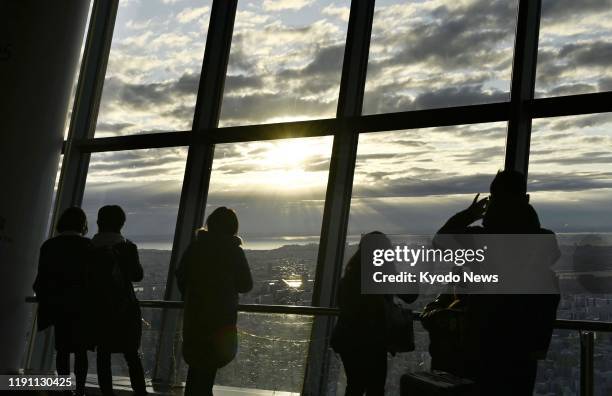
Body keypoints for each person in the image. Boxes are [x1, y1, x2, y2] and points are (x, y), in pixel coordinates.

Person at [431, 170, 560, 395]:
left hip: (483, 341)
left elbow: (440, 241)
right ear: (525, 197)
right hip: (525, 345)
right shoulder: (544, 240)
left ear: (494, 199)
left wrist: (469, 214)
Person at [176, 207, 253, 396]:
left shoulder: (195, 248)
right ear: (233, 228)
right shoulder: (234, 252)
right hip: (221, 320)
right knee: (208, 370)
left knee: (197, 369)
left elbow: (181, 276)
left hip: (195, 319)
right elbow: (246, 285)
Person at [331, 232, 418, 396]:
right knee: (375, 388)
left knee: (354, 385)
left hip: (347, 341)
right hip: (373, 343)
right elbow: (410, 296)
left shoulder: (349, 279)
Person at [33, 207, 93, 396]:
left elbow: (41, 280)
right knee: (81, 351)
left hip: (59, 307)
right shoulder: (89, 247)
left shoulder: (50, 246)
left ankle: (64, 389)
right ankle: (80, 390)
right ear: (83, 224)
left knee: (62, 350)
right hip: (83, 307)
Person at [89, 205, 147, 396]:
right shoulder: (128, 247)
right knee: (131, 355)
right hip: (126, 309)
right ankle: (140, 392)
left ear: (99, 223)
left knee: (103, 356)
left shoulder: (90, 248)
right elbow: (137, 276)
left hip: (98, 309)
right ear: (121, 224)